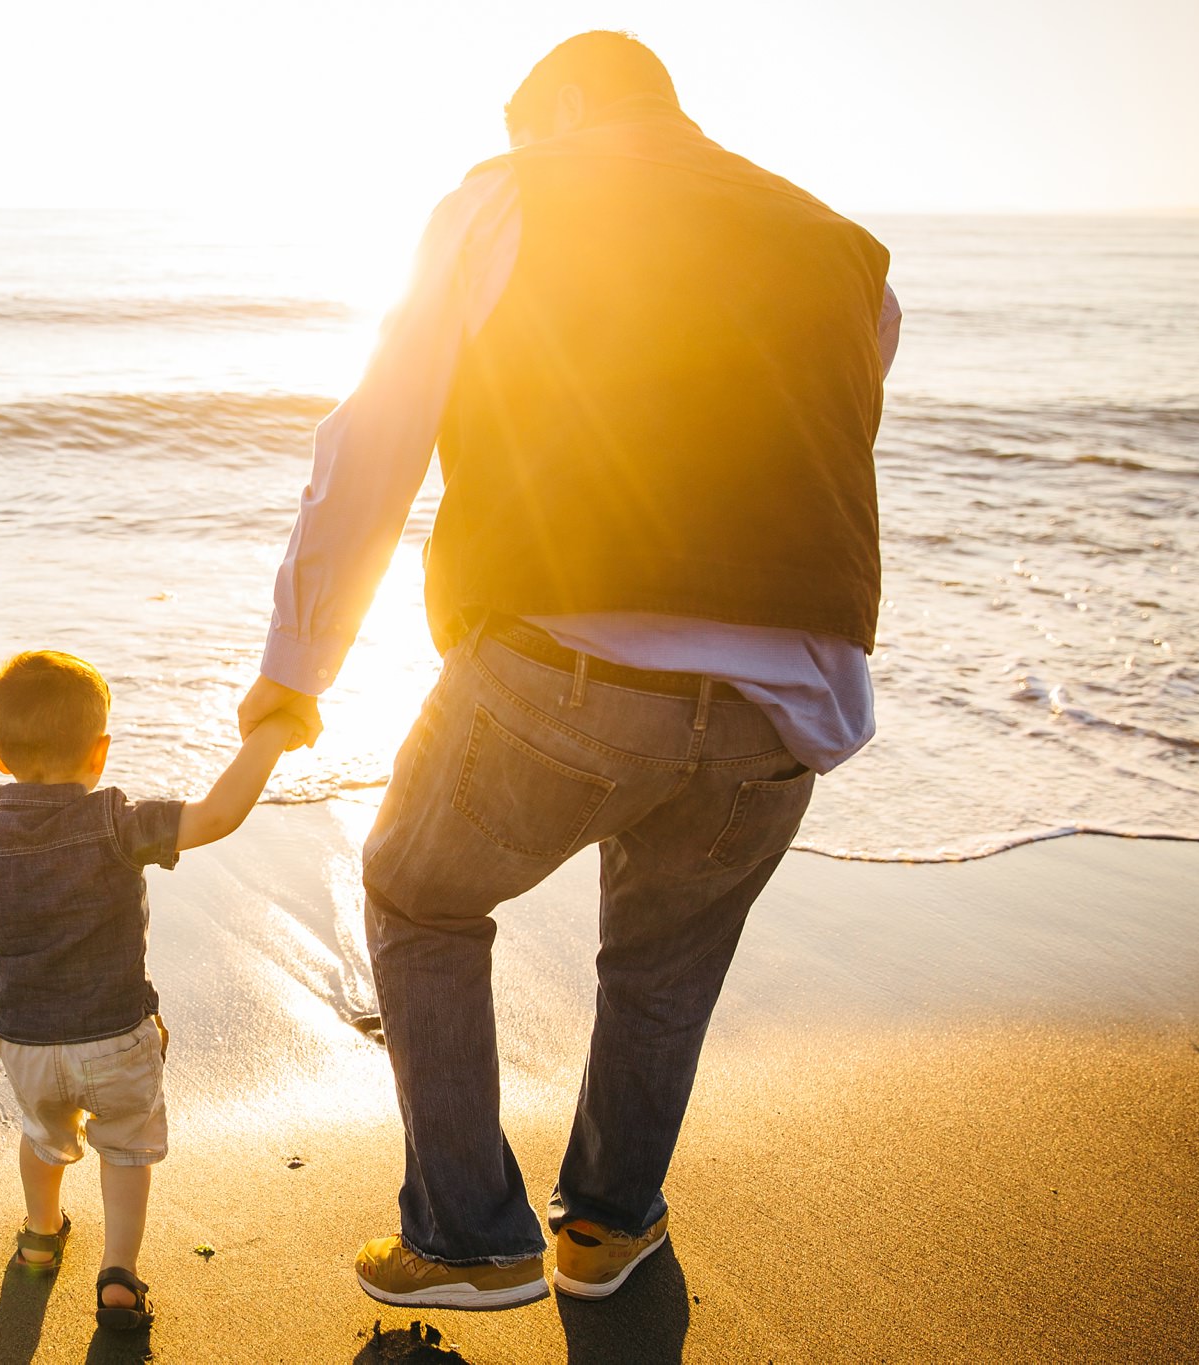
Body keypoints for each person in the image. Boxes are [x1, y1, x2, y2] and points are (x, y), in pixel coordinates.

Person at [237, 31, 903, 1308]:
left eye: (524, 121)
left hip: (573, 662)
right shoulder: (843, 246)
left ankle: (465, 1235)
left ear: (575, 101)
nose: (517, 144)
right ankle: (603, 1230)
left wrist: (297, 662)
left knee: (418, 894)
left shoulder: (508, 192)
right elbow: (822, 434)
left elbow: (376, 434)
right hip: (794, 698)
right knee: (663, 962)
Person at [0, 649, 300, 1330]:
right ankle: (118, 1273)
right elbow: (218, 814)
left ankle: (40, 1230)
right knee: (124, 1148)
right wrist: (272, 731)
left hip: (27, 1042)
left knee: (42, 1136)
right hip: (117, 1036)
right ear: (101, 751)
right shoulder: (117, 822)